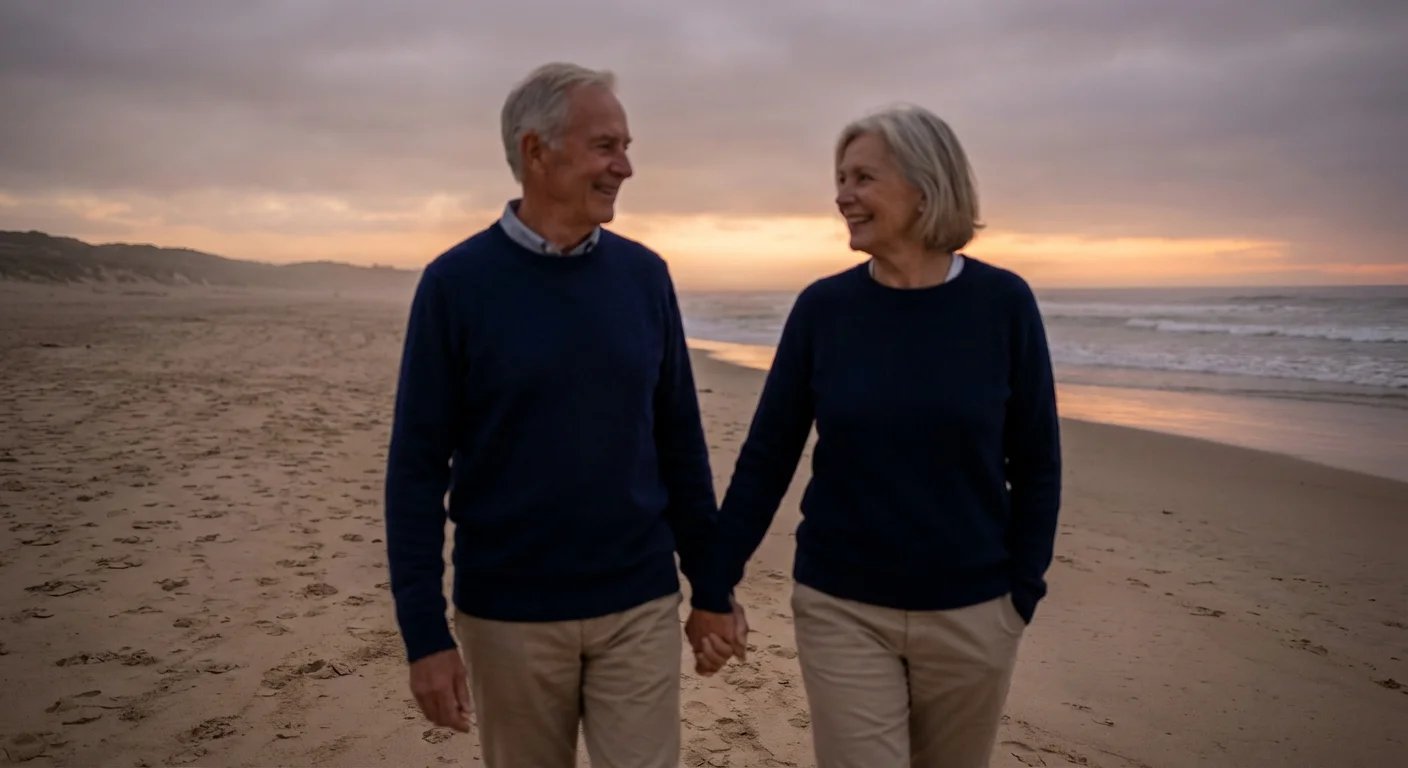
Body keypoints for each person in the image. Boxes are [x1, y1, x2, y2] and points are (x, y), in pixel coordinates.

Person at [685, 103, 1063, 767]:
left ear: (925, 186)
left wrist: (1018, 597)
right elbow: (768, 458)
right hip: (843, 605)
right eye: (840, 178)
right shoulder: (824, 310)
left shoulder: (1002, 305)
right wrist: (715, 587)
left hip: (973, 611)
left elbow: (1036, 463)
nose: (842, 196)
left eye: (862, 178)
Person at [383, 61, 736, 768]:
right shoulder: (456, 285)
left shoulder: (644, 277)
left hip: (638, 599)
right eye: (606, 145)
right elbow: (416, 469)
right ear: (535, 151)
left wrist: (713, 589)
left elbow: (679, 443)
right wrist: (424, 634)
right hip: (507, 614)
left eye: (627, 146)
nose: (625, 167)